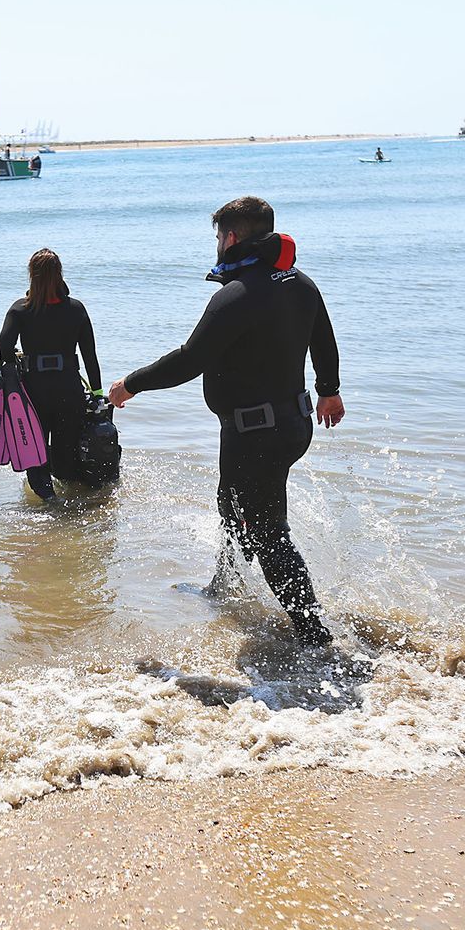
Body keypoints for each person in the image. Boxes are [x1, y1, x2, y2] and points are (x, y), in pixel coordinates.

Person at [107, 196, 345, 647]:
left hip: (257, 432)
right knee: (231, 506)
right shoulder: (300, 282)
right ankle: (225, 586)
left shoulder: (235, 297)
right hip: (290, 423)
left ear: (231, 237)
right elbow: (324, 339)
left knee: (269, 534)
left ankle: (315, 636)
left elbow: (188, 360)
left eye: (219, 236)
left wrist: (130, 384)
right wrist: (329, 390)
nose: (217, 244)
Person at [0, 249, 100, 501]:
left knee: (36, 451)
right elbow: (90, 356)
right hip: (69, 390)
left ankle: (47, 501)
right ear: (59, 274)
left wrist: (17, 362)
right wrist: (97, 394)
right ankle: (71, 505)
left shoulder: (20, 310)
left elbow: (3, 346)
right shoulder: (76, 309)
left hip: (34, 393)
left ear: (32, 275)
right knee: (66, 456)